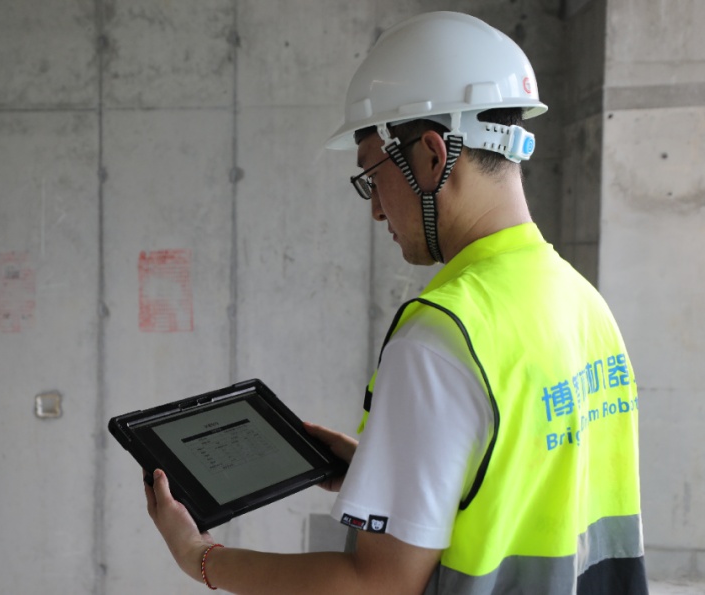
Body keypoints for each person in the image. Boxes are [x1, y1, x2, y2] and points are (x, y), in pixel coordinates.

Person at [143, 11, 646, 594]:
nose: (377, 209)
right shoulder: (582, 301)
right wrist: (379, 468)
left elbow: (375, 585)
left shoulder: (443, 336)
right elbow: (519, 479)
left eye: (373, 176)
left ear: (432, 155)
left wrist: (200, 557)